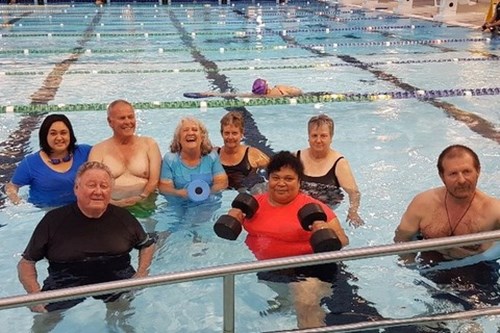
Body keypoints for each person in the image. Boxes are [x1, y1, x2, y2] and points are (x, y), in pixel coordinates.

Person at [221, 151, 349, 329]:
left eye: (288, 179)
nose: (281, 183)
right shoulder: (253, 205)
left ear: (299, 182)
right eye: (276, 177)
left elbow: (343, 239)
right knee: (293, 299)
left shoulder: (312, 207)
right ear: (269, 179)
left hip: (310, 268)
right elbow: (229, 227)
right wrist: (233, 215)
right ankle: (287, 302)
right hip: (270, 270)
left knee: (305, 301)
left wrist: (325, 230)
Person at [17, 161, 155, 314]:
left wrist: (142, 273)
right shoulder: (54, 220)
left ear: (110, 191)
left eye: (104, 186)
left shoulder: (123, 218)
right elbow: (26, 261)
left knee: (122, 317)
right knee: (45, 320)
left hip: (116, 277)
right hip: (65, 280)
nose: (98, 191)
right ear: (76, 189)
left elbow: (147, 244)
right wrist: (34, 294)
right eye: (91, 185)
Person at [394, 145, 500, 312]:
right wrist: (409, 269)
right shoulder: (423, 204)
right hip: (432, 267)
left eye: (467, 171)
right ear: (442, 176)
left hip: (477, 271)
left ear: (478, 171)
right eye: (453, 174)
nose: (462, 180)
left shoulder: (493, 211)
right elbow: (402, 239)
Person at [88, 99, 162, 210]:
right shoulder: (99, 150)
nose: (128, 122)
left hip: (145, 205)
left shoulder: (149, 145)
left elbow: (154, 180)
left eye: (130, 117)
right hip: (112, 207)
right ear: (110, 122)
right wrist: (114, 203)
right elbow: (92, 185)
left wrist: (142, 197)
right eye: (122, 118)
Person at [5, 114, 91, 207]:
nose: (59, 138)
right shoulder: (31, 163)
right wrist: (17, 202)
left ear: (70, 134)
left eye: (63, 133)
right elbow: (11, 186)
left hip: (79, 210)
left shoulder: (84, 152)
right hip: (43, 212)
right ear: (45, 136)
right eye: (53, 133)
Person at [296, 114, 364, 227]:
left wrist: (353, 212)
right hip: (300, 208)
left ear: (331, 138)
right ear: (308, 137)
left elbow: (354, 193)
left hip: (327, 210)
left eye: (323, 136)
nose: (318, 140)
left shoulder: (339, 164)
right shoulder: (296, 158)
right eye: (314, 135)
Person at [159, 116, 228, 200]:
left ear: (202, 137)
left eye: (195, 130)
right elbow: (164, 188)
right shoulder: (170, 159)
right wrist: (178, 193)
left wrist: (207, 192)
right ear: (179, 138)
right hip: (180, 203)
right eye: (185, 130)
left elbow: (222, 182)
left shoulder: (211, 156)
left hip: (207, 202)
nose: (190, 133)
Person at [217, 111, 270, 191]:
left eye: (234, 133)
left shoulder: (253, 155)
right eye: (227, 133)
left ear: (242, 134)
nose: (230, 137)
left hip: (249, 193)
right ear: (222, 134)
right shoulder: (215, 154)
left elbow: (276, 170)